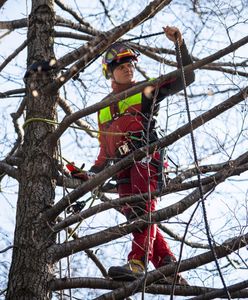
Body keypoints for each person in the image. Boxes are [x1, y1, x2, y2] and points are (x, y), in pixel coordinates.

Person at [87, 26, 195, 283]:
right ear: (109, 71)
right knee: (137, 217)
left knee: (143, 209)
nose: (127, 68)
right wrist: (89, 175)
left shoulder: (146, 89)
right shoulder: (102, 109)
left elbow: (186, 77)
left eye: (130, 64)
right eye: (121, 65)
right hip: (121, 168)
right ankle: (169, 268)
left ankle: (137, 263)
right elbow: (104, 151)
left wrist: (179, 44)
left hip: (145, 157)